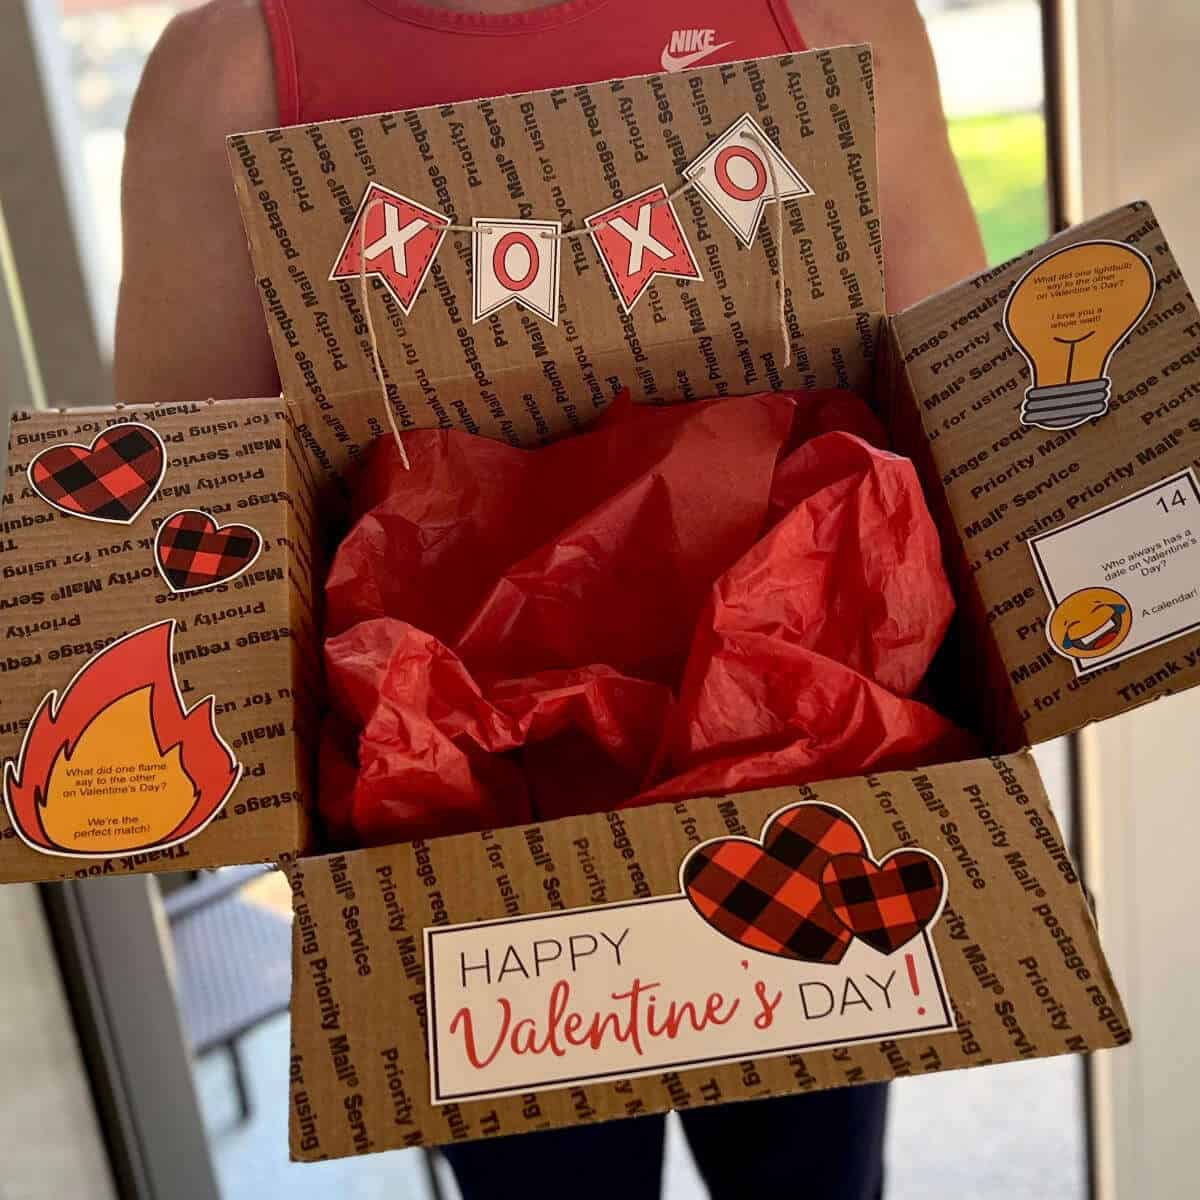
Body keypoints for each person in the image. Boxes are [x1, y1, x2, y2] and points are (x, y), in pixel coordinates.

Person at [116, 3, 986, 1196]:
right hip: (466, 889)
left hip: (806, 817)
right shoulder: (230, 81)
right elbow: (191, 554)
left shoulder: (831, 20)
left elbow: (972, 450)